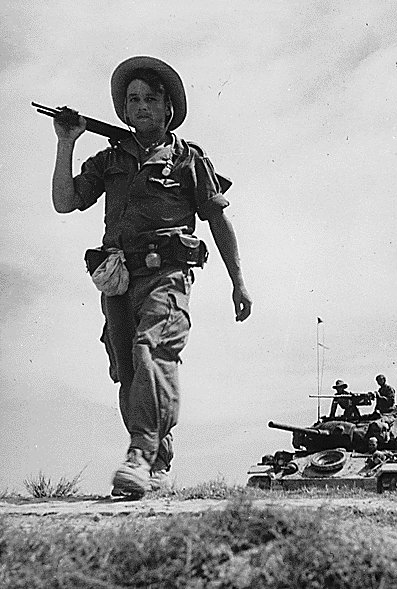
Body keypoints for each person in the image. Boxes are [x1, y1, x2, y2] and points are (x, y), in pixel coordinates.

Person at [51, 56, 252, 497]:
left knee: (152, 349)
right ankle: (158, 458)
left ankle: (140, 454)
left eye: (151, 99)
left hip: (168, 276)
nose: (141, 105)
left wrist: (238, 279)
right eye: (133, 99)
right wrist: (66, 143)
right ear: (124, 110)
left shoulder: (189, 160)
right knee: (128, 370)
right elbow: (65, 203)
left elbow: (218, 222)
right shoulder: (109, 161)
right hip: (119, 278)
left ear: (167, 110)